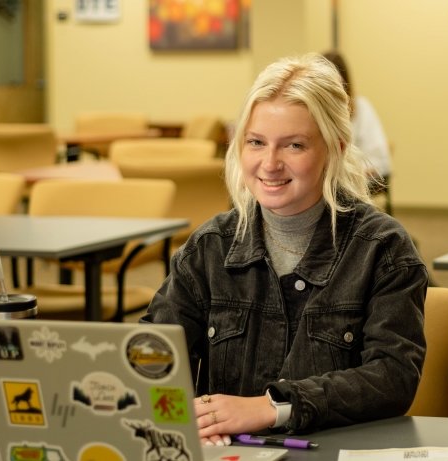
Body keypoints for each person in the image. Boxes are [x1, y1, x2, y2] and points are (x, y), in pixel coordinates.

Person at [142, 53, 427, 447]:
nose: (270, 163)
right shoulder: (208, 248)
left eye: (294, 145)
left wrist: (274, 407)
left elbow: (392, 377)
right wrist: (188, 418)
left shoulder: (383, 250)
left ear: (336, 149)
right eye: (256, 142)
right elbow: (153, 360)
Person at [321, 50, 392, 190]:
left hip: (353, 179)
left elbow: (379, 161)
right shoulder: (312, 111)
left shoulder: (362, 108)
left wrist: (347, 173)